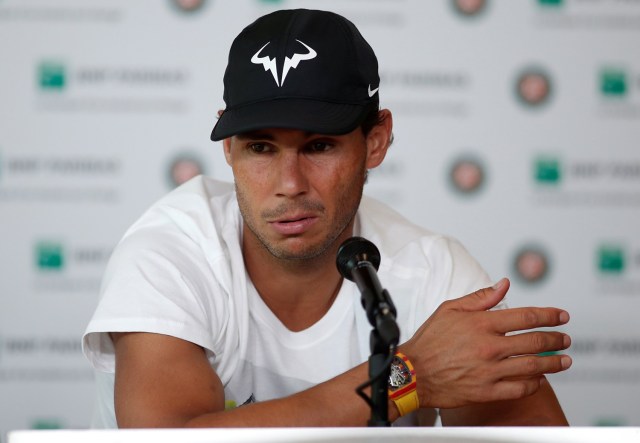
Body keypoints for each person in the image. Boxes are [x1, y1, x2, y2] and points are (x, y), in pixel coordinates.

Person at [82, 8, 571, 428]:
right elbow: (168, 439)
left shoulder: (431, 270)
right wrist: (407, 376)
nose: (290, 183)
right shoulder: (171, 251)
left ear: (375, 141)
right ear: (228, 148)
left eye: (319, 146)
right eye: (260, 147)